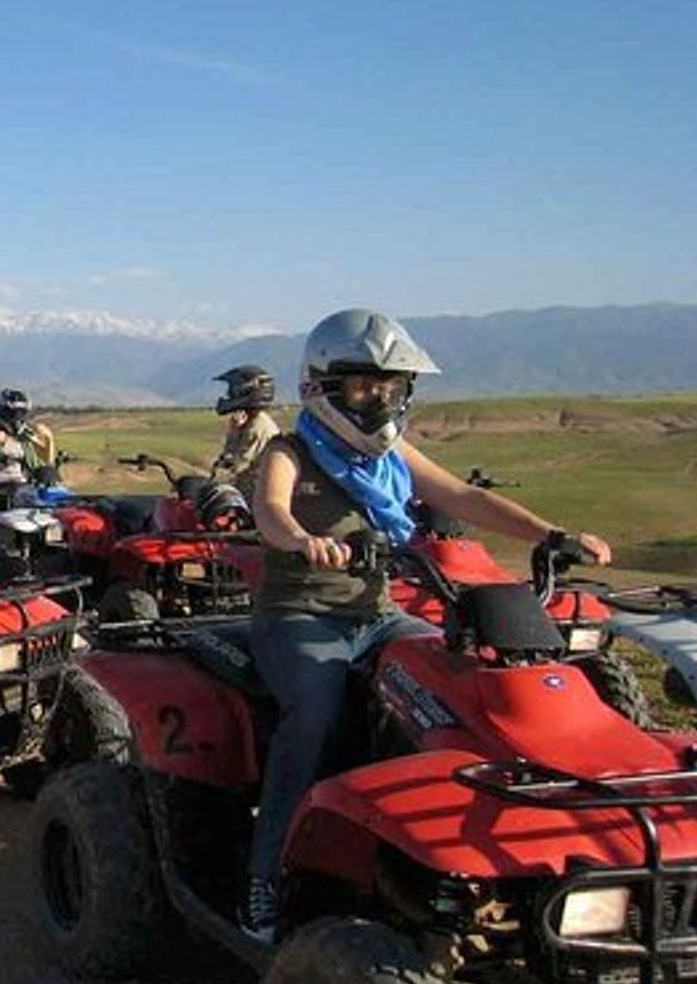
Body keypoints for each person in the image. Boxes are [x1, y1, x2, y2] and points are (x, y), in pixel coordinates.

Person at [238, 309, 612, 943]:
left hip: (379, 617)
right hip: (300, 615)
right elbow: (270, 508)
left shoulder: (391, 453)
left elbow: (464, 498)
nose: (378, 401)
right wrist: (301, 539)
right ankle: (263, 880)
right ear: (322, 388)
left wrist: (551, 533)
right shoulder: (289, 449)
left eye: (390, 388)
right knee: (315, 718)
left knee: (465, 684)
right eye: (363, 387)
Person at [0, 388, 58, 517]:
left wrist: (49, 440)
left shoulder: (26, 432)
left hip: (22, 485)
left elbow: (46, 460)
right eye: (12, 413)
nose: (16, 418)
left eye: (21, 413)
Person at [210, 364, 279, 502]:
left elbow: (233, 469)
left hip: (254, 501)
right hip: (249, 495)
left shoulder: (258, 428)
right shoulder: (252, 423)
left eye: (233, 390)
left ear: (246, 391)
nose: (229, 395)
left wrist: (234, 435)